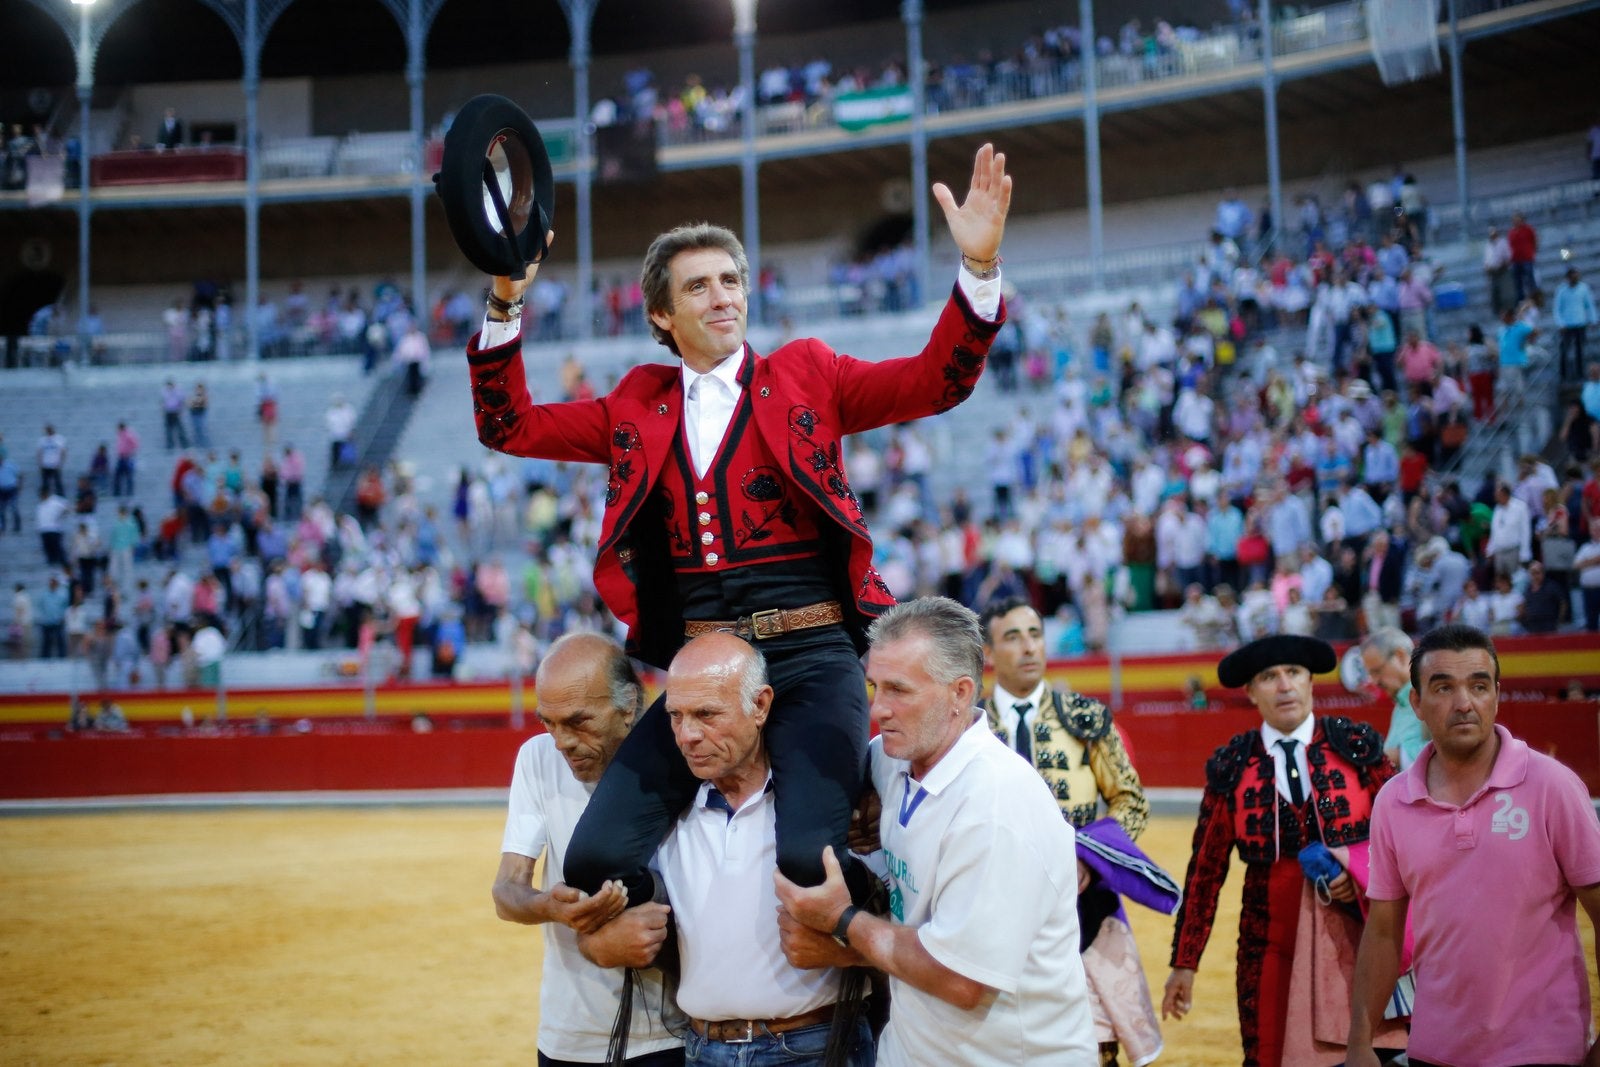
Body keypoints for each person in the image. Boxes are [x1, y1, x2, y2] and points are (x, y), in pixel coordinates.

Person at [467, 144, 1012, 909]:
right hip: (703, 666)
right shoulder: (634, 403)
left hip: (816, 653)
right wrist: (504, 302)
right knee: (593, 857)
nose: (723, 296)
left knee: (808, 860)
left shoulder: (807, 373)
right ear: (662, 313)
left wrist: (979, 272)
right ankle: (701, 971)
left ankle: (869, 991)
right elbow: (509, 425)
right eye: (699, 286)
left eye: (731, 280)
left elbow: (935, 380)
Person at [774, 597, 1096, 1066]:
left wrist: (843, 923)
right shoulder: (897, 760)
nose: (879, 709)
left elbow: (960, 979)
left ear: (960, 694)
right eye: (874, 687)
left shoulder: (995, 804)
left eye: (899, 690)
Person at [1347, 624, 1600, 1067]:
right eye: (1443, 687)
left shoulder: (1552, 786)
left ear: (1496, 696)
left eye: (1478, 685)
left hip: (1544, 1051)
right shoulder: (1393, 801)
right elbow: (1384, 930)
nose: (1464, 703)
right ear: (1417, 704)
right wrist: (1359, 1039)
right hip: (1433, 1049)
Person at [1163, 634, 1405, 1066]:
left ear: (1311, 682)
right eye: (1269, 677)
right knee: (1270, 1056)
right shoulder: (1233, 766)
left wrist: (1362, 874)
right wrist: (1185, 962)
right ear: (1252, 692)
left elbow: (1403, 833)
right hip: (1270, 946)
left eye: (1293, 673)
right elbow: (1205, 871)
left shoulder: (1355, 746)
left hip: (1360, 937)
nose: (1284, 685)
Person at [976, 595, 1163, 1065]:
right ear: (988, 653)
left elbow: (1131, 801)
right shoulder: (967, 725)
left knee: (1095, 1041)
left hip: (1084, 900)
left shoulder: (1086, 718)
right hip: (992, 900)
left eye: (1035, 635)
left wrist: (1090, 858)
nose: (1029, 648)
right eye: (1013, 637)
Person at [491, 633, 682, 1067]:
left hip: (669, 1037)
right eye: (548, 723)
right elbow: (506, 891)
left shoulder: (681, 757)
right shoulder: (537, 759)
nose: (561, 742)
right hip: (566, 1035)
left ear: (630, 705)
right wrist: (548, 907)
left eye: (578, 722)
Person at [1360, 628, 1424, 771]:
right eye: (1371, 674)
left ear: (1400, 656)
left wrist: (1392, 756)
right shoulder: (1400, 704)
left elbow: (1451, 752)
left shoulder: (1432, 697)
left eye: (1377, 671)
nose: (1374, 681)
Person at [1553, 266, 1596, 378]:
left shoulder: (1584, 288)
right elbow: (1557, 308)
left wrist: (1593, 319)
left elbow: (1589, 305)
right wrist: (1560, 323)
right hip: (1566, 325)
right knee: (1564, 350)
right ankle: (1564, 374)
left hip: (1580, 323)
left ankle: (1580, 373)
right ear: (1568, 278)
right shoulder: (1561, 290)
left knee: (1580, 350)